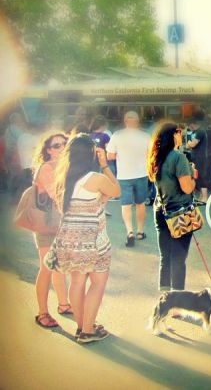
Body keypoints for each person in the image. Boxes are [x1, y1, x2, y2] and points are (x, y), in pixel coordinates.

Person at [52, 134, 121, 343]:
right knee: (98, 283)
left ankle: (82, 326)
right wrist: (105, 165)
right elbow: (117, 191)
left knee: (77, 282)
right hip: (94, 241)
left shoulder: (62, 178)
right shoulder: (96, 178)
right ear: (92, 154)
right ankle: (88, 330)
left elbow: (63, 207)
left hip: (69, 240)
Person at [148, 122, 196, 291]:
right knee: (178, 258)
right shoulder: (178, 157)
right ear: (173, 135)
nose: (182, 137)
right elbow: (187, 187)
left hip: (160, 209)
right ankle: (177, 299)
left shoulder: (156, 157)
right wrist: (193, 175)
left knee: (165, 257)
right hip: (179, 212)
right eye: (179, 133)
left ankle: (165, 298)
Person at [31, 132, 71, 329]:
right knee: (46, 268)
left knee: (59, 266)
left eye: (64, 144)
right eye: (56, 145)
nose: (62, 147)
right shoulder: (47, 168)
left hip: (60, 224)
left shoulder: (65, 167)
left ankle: (63, 304)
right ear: (48, 150)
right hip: (46, 224)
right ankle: (42, 313)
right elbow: (58, 196)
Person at [107, 111, 150, 247]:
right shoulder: (145, 136)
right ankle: (140, 232)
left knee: (126, 205)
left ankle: (129, 232)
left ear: (125, 121)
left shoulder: (116, 135)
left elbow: (111, 156)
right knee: (140, 203)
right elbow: (150, 155)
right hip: (141, 174)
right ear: (138, 122)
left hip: (124, 175)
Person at [184, 112, 209, 202]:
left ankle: (205, 198)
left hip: (201, 158)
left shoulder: (201, 131)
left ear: (192, 124)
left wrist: (188, 144)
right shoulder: (195, 132)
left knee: (202, 177)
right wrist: (189, 144)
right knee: (197, 177)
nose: (189, 128)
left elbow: (193, 144)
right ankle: (201, 197)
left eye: (189, 125)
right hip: (196, 158)